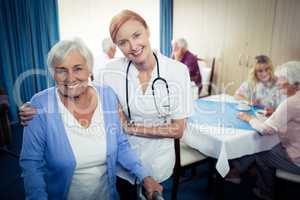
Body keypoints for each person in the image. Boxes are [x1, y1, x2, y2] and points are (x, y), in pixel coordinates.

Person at [19, 10, 193, 200]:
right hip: (119, 169)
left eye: (136, 35)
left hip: (156, 164)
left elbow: (177, 129)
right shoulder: (109, 71)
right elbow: (79, 84)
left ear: (148, 31)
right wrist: (35, 105)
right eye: (122, 42)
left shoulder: (177, 71)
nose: (132, 46)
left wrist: (129, 127)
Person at [19, 38, 162, 200]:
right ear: (53, 74)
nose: (70, 78)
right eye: (61, 70)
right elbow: (31, 164)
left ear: (89, 70)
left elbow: (121, 145)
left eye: (78, 68)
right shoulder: (39, 104)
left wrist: (144, 176)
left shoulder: (107, 95)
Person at [235, 61, 300, 200]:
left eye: (282, 79)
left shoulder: (291, 102)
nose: (279, 83)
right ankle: (238, 171)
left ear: (293, 82)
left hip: (297, 159)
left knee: (260, 150)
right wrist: (277, 112)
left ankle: (265, 192)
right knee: (269, 143)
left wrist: (247, 118)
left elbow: (266, 129)